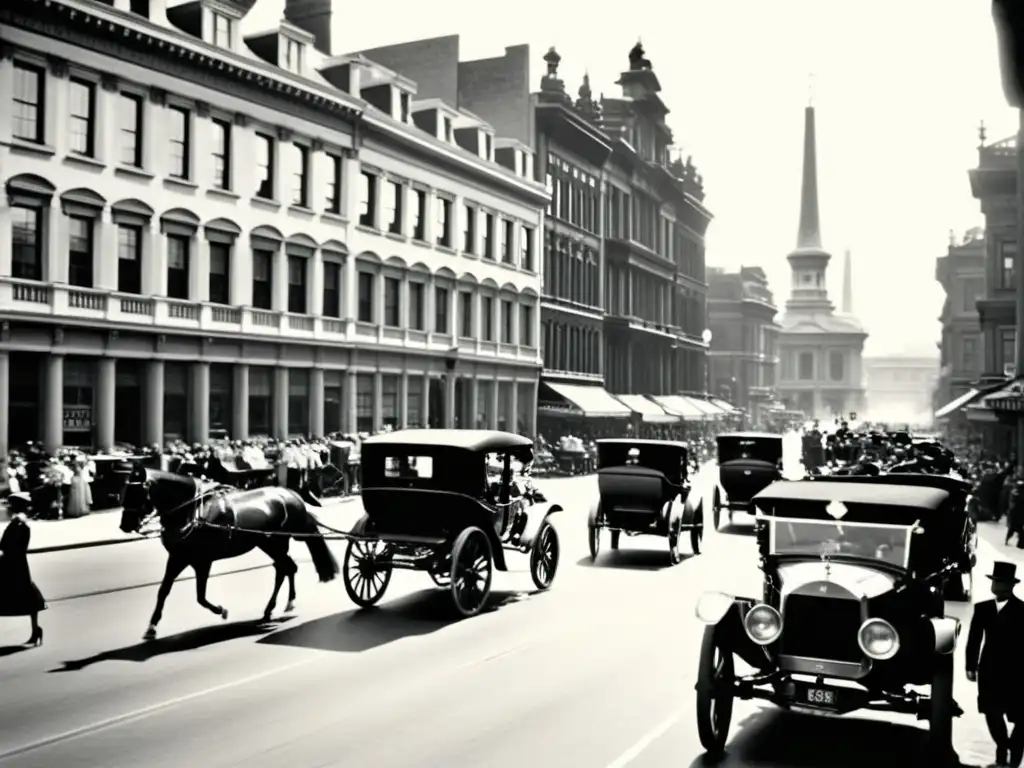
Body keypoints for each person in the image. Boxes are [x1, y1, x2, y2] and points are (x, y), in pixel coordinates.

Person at [966, 561, 1024, 767]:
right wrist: (970, 665)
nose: (995, 586)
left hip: (1016, 672)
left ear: (1009, 586)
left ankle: (1015, 756)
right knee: (991, 712)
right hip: (989, 669)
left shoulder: (1022, 610)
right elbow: (974, 638)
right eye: (994, 581)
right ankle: (1002, 749)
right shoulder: (983, 608)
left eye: (999, 582)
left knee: (1019, 715)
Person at [0, 513, 46, 646]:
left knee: (15, 595)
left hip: (10, 564)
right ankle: (35, 630)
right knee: (28, 597)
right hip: (19, 564)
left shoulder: (14, 526)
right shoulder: (24, 528)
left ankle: (36, 631)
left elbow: (2, 545)